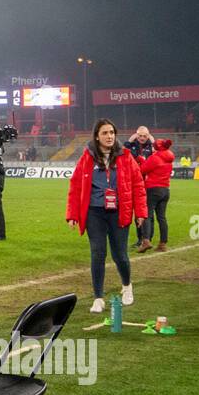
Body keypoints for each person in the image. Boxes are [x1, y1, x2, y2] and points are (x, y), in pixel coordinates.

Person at [66, 119, 147, 313]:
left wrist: (141, 212)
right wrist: (72, 214)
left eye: (112, 132)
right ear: (97, 136)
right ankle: (98, 298)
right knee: (97, 253)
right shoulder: (87, 158)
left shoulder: (126, 157)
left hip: (119, 211)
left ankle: (127, 286)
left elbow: (138, 185)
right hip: (94, 212)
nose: (110, 136)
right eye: (105, 133)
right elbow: (76, 186)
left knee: (120, 254)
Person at [138, 136, 175, 252]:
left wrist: (141, 159)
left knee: (147, 215)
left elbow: (142, 170)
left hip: (153, 189)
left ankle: (146, 241)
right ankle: (163, 243)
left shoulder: (155, 158)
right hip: (165, 190)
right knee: (162, 217)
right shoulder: (168, 158)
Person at [126, 126, 155, 251]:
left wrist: (152, 142)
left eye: (144, 136)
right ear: (136, 135)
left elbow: (158, 154)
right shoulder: (132, 146)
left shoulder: (151, 147)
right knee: (137, 213)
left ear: (148, 136)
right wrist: (130, 140)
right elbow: (123, 151)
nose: (142, 138)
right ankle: (140, 239)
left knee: (148, 214)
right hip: (134, 184)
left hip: (148, 184)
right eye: (139, 136)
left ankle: (148, 238)